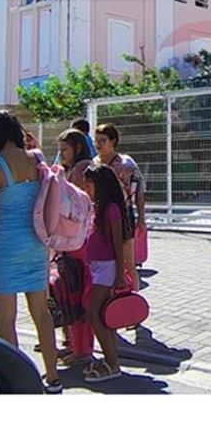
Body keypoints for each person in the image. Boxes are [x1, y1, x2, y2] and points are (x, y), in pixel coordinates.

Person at [0, 110, 61, 393]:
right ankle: (53, 377)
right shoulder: (36, 158)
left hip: (8, 246)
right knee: (41, 312)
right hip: (36, 243)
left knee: (6, 319)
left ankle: (15, 381)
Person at [41, 128, 95, 364]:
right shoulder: (73, 168)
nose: (60, 154)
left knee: (75, 292)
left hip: (78, 239)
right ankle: (72, 344)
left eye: (64, 149)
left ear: (78, 148)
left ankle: (82, 350)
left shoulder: (83, 169)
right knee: (68, 292)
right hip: (72, 238)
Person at [80, 164, 131, 383]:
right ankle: (111, 360)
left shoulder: (111, 209)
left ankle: (112, 362)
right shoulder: (97, 207)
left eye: (90, 184)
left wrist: (120, 272)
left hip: (108, 267)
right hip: (97, 267)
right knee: (102, 316)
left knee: (94, 313)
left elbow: (118, 244)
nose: (87, 188)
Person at [93, 123, 145, 292]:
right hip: (101, 216)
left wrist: (142, 218)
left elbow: (139, 190)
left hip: (122, 215)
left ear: (113, 141)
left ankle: (135, 297)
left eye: (103, 140)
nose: (98, 144)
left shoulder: (126, 163)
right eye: (96, 140)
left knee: (127, 260)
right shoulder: (94, 163)